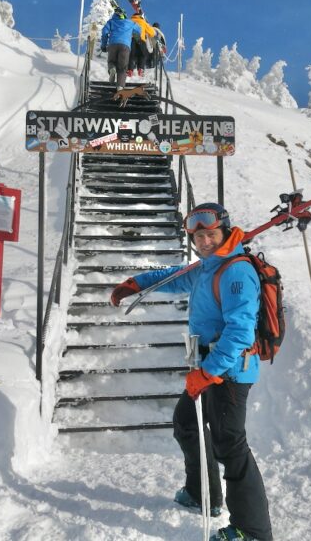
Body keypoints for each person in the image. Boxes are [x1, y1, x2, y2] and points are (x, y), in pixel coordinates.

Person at [110, 203, 273, 541]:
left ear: (224, 232)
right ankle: (205, 495)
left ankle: (252, 531)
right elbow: (172, 277)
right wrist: (136, 283)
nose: (204, 241)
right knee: (187, 423)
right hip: (207, 368)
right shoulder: (207, 267)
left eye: (211, 234)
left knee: (230, 445)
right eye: (198, 236)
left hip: (230, 373)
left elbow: (240, 333)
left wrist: (209, 372)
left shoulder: (235, 272)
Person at [100, 7, 142, 90]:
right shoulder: (130, 22)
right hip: (125, 46)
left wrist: (103, 45)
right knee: (122, 67)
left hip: (112, 44)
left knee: (111, 61)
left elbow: (104, 32)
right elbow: (139, 30)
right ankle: (120, 86)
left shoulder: (111, 22)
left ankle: (112, 69)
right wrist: (137, 38)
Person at [127, 10, 156, 78]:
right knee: (142, 55)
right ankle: (140, 69)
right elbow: (152, 33)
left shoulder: (129, 21)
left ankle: (130, 70)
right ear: (140, 16)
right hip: (141, 40)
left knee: (131, 55)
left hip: (131, 39)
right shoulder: (143, 22)